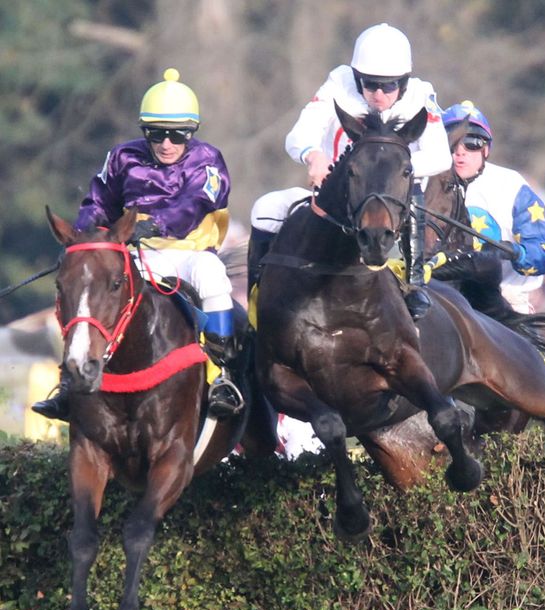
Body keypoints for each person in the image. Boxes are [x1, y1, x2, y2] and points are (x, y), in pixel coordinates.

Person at [32, 68, 243, 421]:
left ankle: (222, 377)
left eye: (177, 135)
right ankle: (71, 380)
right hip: (133, 254)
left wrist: (155, 223)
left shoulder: (208, 161)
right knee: (85, 285)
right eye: (156, 134)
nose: (166, 144)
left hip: (189, 255)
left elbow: (193, 204)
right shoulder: (121, 158)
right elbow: (98, 202)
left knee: (212, 276)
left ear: (192, 132)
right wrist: (84, 240)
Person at [247, 22, 452, 319]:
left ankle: (414, 283)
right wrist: (312, 154)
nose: (379, 94)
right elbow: (297, 135)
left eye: (389, 85)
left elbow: (440, 156)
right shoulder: (337, 85)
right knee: (263, 208)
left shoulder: (420, 95)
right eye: (370, 84)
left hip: (394, 204)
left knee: (413, 194)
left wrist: (386, 173)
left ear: (404, 82)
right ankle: (259, 298)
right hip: (338, 197)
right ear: (357, 78)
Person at [432, 100, 545, 314]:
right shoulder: (422, 182)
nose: (460, 152)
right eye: (451, 142)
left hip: (503, 300)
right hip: (438, 296)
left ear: (486, 149)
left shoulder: (511, 185)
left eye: (472, 142)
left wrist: (515, 252)